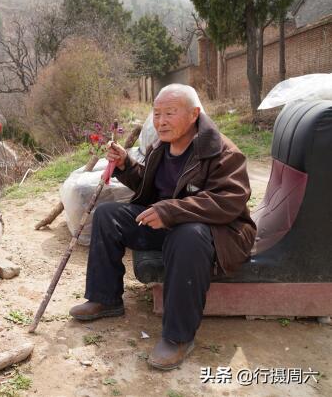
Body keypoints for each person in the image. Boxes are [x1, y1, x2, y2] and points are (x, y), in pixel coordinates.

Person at [70, 84, 256, 370]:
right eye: (157, 114)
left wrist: (170, 211)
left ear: (194, 114)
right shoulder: (162, 145)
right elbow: (154, 186)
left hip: (213, 235)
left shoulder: (222, 152)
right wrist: (125, 165)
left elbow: (228, 202)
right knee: (108, 215)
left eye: (170, 113)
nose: (161, 121)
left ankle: (178, 337)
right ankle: (105, 299)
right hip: (170, 223)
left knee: (187, 235)